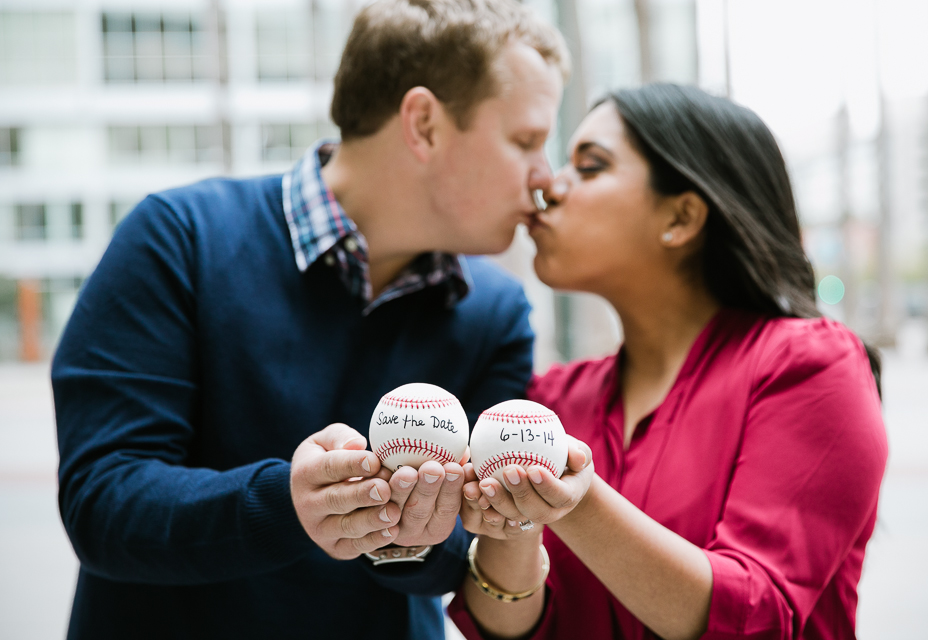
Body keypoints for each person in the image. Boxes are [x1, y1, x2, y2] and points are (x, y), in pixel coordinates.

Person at [51, 1, 568, 638]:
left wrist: (407, 540)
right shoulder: (179, 238)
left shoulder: (495, 311)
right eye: (526, 141)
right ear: (425, 125)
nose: (546, 177)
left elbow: (459, 564)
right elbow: (102, 504)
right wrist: (288, 505)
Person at [449, 84, 887, 640]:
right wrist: (511, 525)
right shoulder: (553, 400)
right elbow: (514, 627)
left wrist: (574, 498)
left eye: (590, 166)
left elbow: (757, 615)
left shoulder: (808, 365)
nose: (548, 186)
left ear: (680, 217)